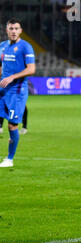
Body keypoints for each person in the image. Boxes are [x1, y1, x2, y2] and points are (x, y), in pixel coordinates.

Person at [0, 18, 35, 167]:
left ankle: (9, 159)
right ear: (6, 30)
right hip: (3, 89)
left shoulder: (26, 47)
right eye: (11, 28)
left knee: (12, 126)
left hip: (17, 91)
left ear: (20, 31)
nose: (13, 31)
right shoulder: (2, 46)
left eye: (16, 29)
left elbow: (31, 69)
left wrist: (12, 77)